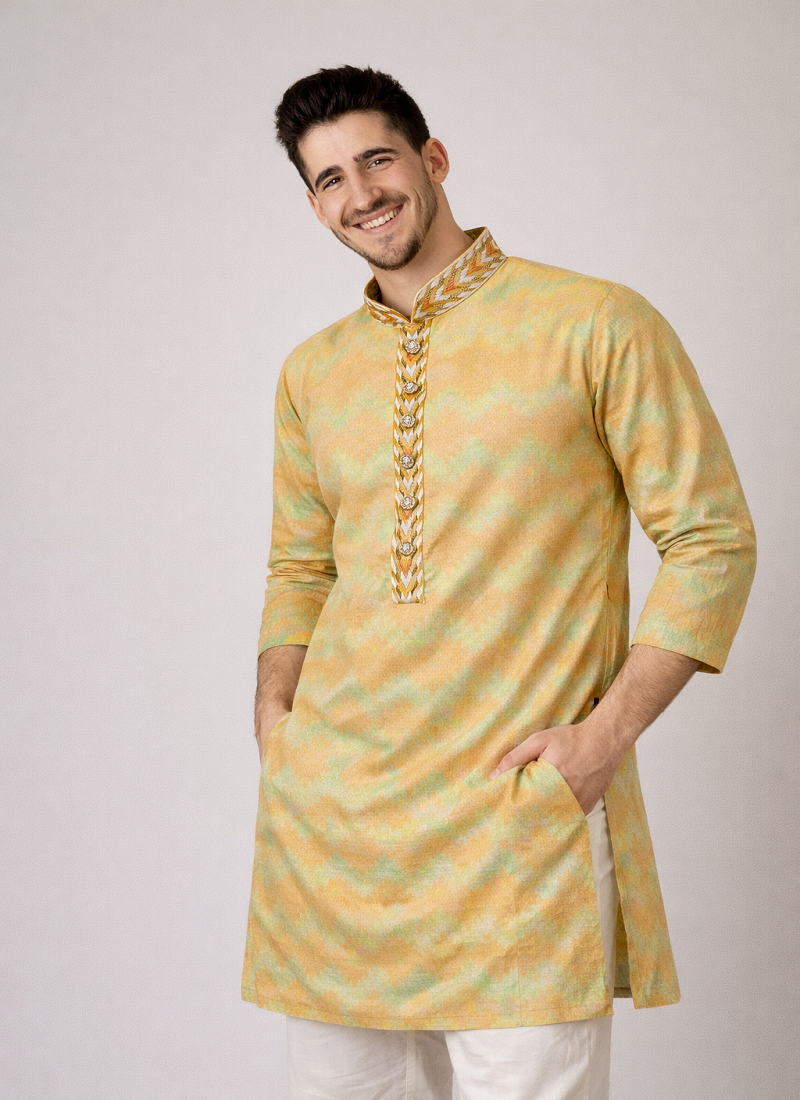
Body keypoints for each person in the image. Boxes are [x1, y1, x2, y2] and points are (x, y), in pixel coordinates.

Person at [241, 65, 756, 1100]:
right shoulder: (312, 372)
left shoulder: (593, 322)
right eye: (330, 179)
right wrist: (276, 722)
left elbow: (711, 539)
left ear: (432, 160)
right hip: (332, 837)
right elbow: (301, 565)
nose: (361, 194)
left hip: (512, 820)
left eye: (378, 160)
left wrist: (600, 740)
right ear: (313, 204)